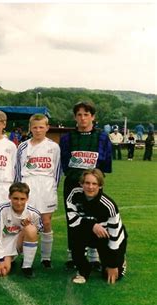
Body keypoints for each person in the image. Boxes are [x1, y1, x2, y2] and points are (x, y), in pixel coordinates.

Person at [59, 101, 112, 270]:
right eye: (79, 115)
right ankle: (73, 255)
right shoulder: (67, 138)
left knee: (95, 217)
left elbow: (105, 164)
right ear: (75, 117)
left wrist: (95, 181)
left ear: (93, 117)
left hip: (94, 185)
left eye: (86, 114)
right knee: (73, 218)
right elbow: (65, 164)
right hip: (73, 184)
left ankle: (93, 255)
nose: (83, 118)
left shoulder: (102, 137)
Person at [66, 169, 128, 284]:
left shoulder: (108, 205)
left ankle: (121, 261)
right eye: (87, 183)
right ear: (81, 184)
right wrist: (92, 225)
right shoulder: (74, 195)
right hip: (87, 232)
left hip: (108, 237)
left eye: (94, 184)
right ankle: (84, 270)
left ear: (100, 186)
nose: (90, 187)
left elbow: (116, 236)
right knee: (76, 236)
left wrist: (113, 264)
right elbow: (73, 222)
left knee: (111, 276)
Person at [16, 114, 60, 268]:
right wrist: (20, 191)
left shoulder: (54, 147)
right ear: (30, 128)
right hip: (28, 186)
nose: (38, 130)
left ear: (47, 128)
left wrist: (53, 188)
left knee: (46, 222)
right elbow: (18, 170)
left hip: (46, 187)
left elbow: (57, 171)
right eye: (35, 127)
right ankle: (24, 257)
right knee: (26, 222)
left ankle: (46, 258)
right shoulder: (23, 146)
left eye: (41, 127)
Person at [0, 182, 43, 278]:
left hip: (19, 242)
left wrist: (27, 226)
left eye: (22, 199)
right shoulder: (2, 210)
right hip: (4, 243)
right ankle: (8, 258)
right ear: (9, 197)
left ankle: (27, 266)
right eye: (15, 198)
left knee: (31, 229)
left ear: (27, 198)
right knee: (2, 272)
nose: (19, 202)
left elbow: (40, 230)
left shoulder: (33, 213)